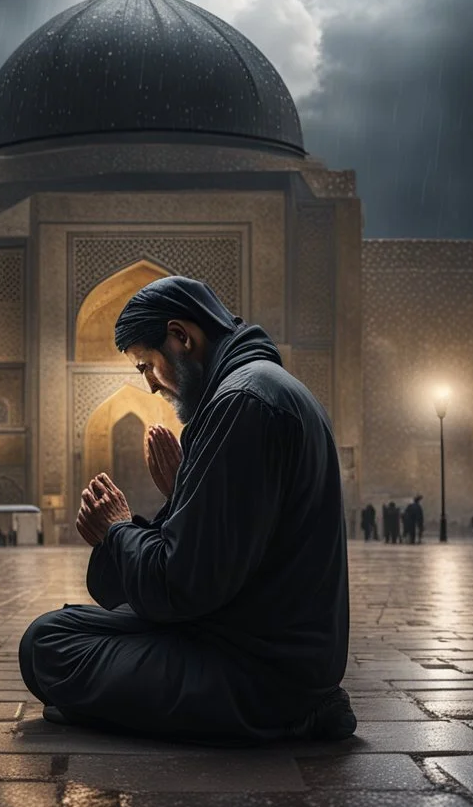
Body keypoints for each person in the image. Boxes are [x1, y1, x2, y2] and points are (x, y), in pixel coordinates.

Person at [19, 275, 355, 746]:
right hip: (266, 647)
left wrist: (116, 530)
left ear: (181, 337)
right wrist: (184, 492)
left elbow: (179, 589)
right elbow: (229, 553)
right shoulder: (265, 391)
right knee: (62, 627)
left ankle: (287, 719)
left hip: (260, 676)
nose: (152, 386)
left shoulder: (240, 404)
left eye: (147, 366)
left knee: (50, 645)